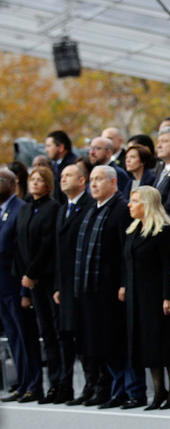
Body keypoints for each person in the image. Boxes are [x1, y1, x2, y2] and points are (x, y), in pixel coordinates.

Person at [75, 165, 145, 409]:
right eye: (91, 180)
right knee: (103, 343)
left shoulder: (120, 209)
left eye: (98, 180)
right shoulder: (92, 210)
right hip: (92, 289)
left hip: (114, 290)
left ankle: (132, 390)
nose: (93, 184)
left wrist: (125, 284)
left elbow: (127, 251)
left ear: (113, 183)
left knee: (119, 342)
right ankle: (116, 390)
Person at [122, 186, 170, 410]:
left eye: (135, 201)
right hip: (138, 297)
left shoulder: (163, 230)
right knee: (147, 345)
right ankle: (159, 391)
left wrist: (168, 296)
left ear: (147, 204)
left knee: (165, 343)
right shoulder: (133, 230)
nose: (130, 205)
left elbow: (168, 265)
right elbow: (127, 262)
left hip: (158, 297)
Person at [15, 167, 62, 404]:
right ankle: (48, 385)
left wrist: (31, 272)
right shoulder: (25, 209)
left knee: (56, 330)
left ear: (48, 185)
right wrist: (26, 277)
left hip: (46, 276)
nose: (34, 183)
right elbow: (20, 244)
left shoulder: (52, 208)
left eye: (39, 180)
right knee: (45, 331)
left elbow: (47, 243)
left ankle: (60, 383)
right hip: (30, 279)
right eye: (32, 179)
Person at [52, 164, 96, 406]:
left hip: (83, 282)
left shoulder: (89, 205)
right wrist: (58, 285)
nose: (62, 178)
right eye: (62, 175)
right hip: (66, 285)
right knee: (68, 335)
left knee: (85, 334)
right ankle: (72, 385)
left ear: (82, 181)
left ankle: (93, 384)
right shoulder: (62, 210)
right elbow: (59, 252)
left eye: (68, 175)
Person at [0, 169, 42, 404]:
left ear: (12, 184)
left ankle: (34, 384)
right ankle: (23, 383)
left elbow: (22, 251)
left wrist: (25, 290)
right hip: (2, 287)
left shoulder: (20, 208)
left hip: (16, 285)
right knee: (14, 337)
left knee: (26, 336)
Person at [45, 130, 77, 203]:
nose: (46, 150)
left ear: (61, 147)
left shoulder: (73, 165)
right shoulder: (56, 165)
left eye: (49, 146)